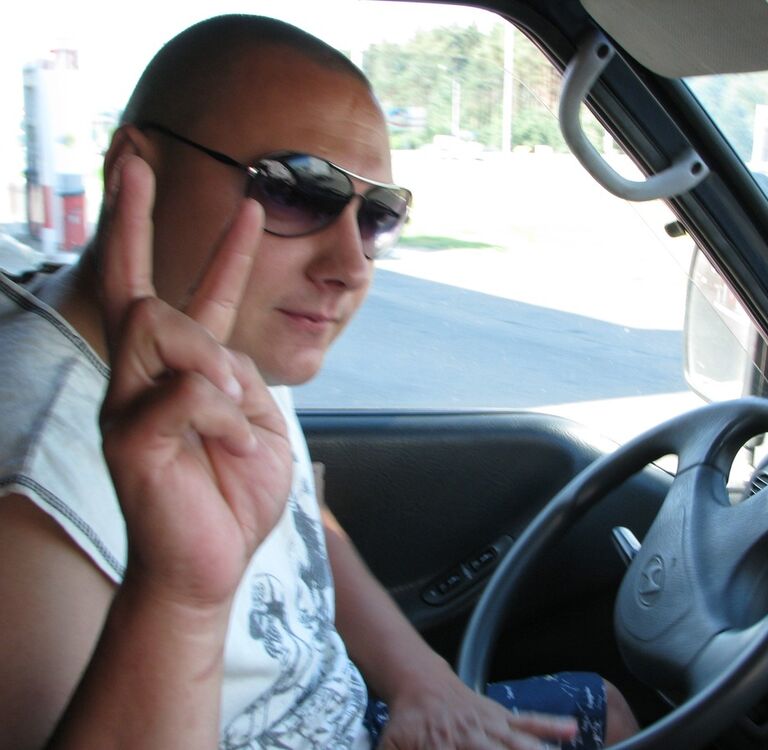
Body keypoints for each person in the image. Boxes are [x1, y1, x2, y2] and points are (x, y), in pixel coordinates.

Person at [0, 14, 640, 749]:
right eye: (294, 192)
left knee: (603, 712)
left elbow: (306, 516)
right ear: (131, 172)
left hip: (345, 714)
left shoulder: (212, 338)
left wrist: (423, 681)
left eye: (377, 215)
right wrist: (178, 596)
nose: (351, 266)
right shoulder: (34, 482)